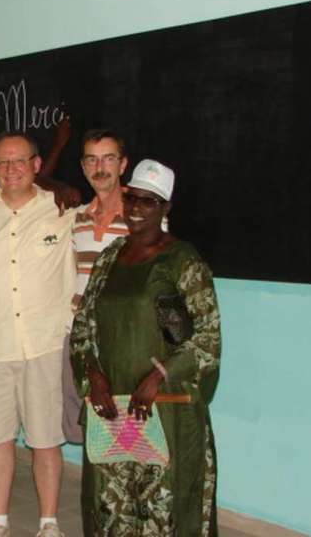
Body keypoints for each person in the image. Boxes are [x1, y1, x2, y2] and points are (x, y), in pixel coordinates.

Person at [70, 159, 221, 537]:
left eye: (148, 201)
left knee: (164, 510)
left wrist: (158, 376)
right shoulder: (109, 258)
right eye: (132, 197)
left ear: (165, 208)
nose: (136, 208)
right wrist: (93, 375)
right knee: (112, 506)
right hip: (114, 411)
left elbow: (207, 336)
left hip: (166, 411)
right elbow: (83, 325)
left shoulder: (182, 261)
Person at [0, 132, 76, 537]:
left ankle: (48, 522)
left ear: (36, 165)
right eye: (1, 162)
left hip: (44, 344)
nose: (10, 169)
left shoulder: (63, 209)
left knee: (45, 440)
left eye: (19, 161)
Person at [61, 130, 129, 443]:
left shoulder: (143, 217)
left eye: (108, 158)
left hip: (121, 338)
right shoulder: (75, 219)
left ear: (123, 164)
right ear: (84, 166)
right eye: (92, 159)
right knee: (83, 427)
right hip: (78, 337)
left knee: (125, 426)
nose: (100, 167)